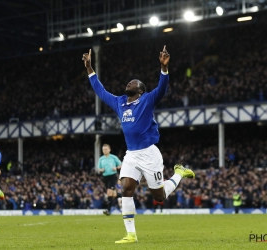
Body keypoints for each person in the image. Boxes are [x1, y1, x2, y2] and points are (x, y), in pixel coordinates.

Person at [82, 45, 195, 244]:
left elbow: (162, 89)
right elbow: (101, 91)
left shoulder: (147, 100)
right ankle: (131, 234)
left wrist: (164, 68)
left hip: (150, 154)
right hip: (132, 154)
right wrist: (89, 68)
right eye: (129, 81)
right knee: (126, 187)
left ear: (140, 90)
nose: (129, 82)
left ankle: (179, 173)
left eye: (133, 82)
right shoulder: (120, 102)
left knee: (159, 197)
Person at [98, 143, 122, 215]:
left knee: (109, 192)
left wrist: (116, 168)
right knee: (113, 194)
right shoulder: (101, 159)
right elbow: (98, 168)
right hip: (105, 177)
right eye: (103, 149)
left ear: (109, 150)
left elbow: (120, 165)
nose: (104, 151)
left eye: (106, 149)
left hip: (112, 176)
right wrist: (101, 170)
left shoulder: (113, 157)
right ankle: (121, 195)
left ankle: (108, 210)